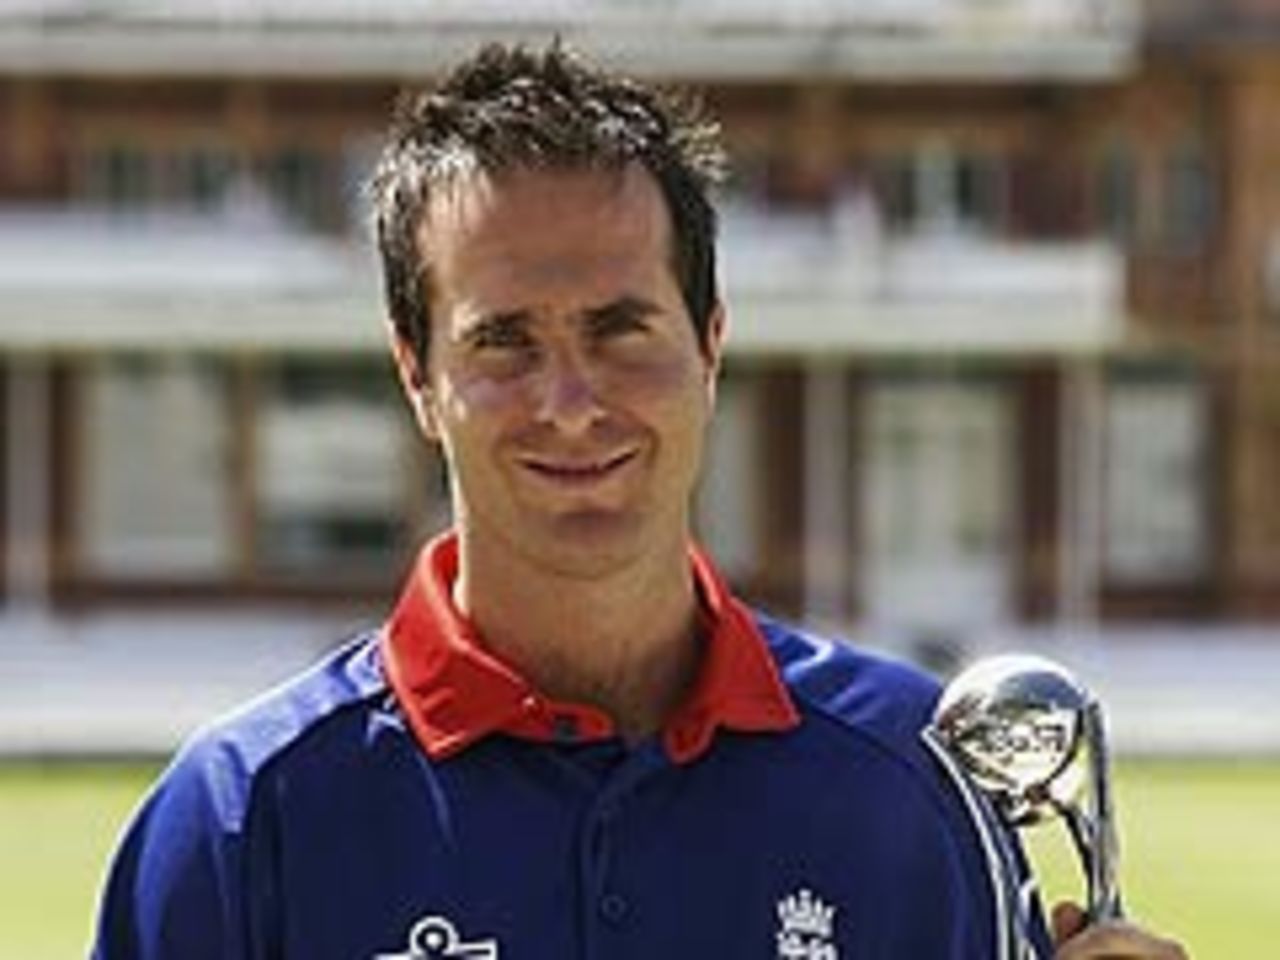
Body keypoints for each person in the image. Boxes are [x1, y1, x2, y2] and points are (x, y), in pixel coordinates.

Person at [92, 42, 1188, 960]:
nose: (569, 405)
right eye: (504, 342)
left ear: (709, 348)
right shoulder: (238, 824)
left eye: (621, 330)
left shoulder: (909, 783)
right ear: (416, 378)